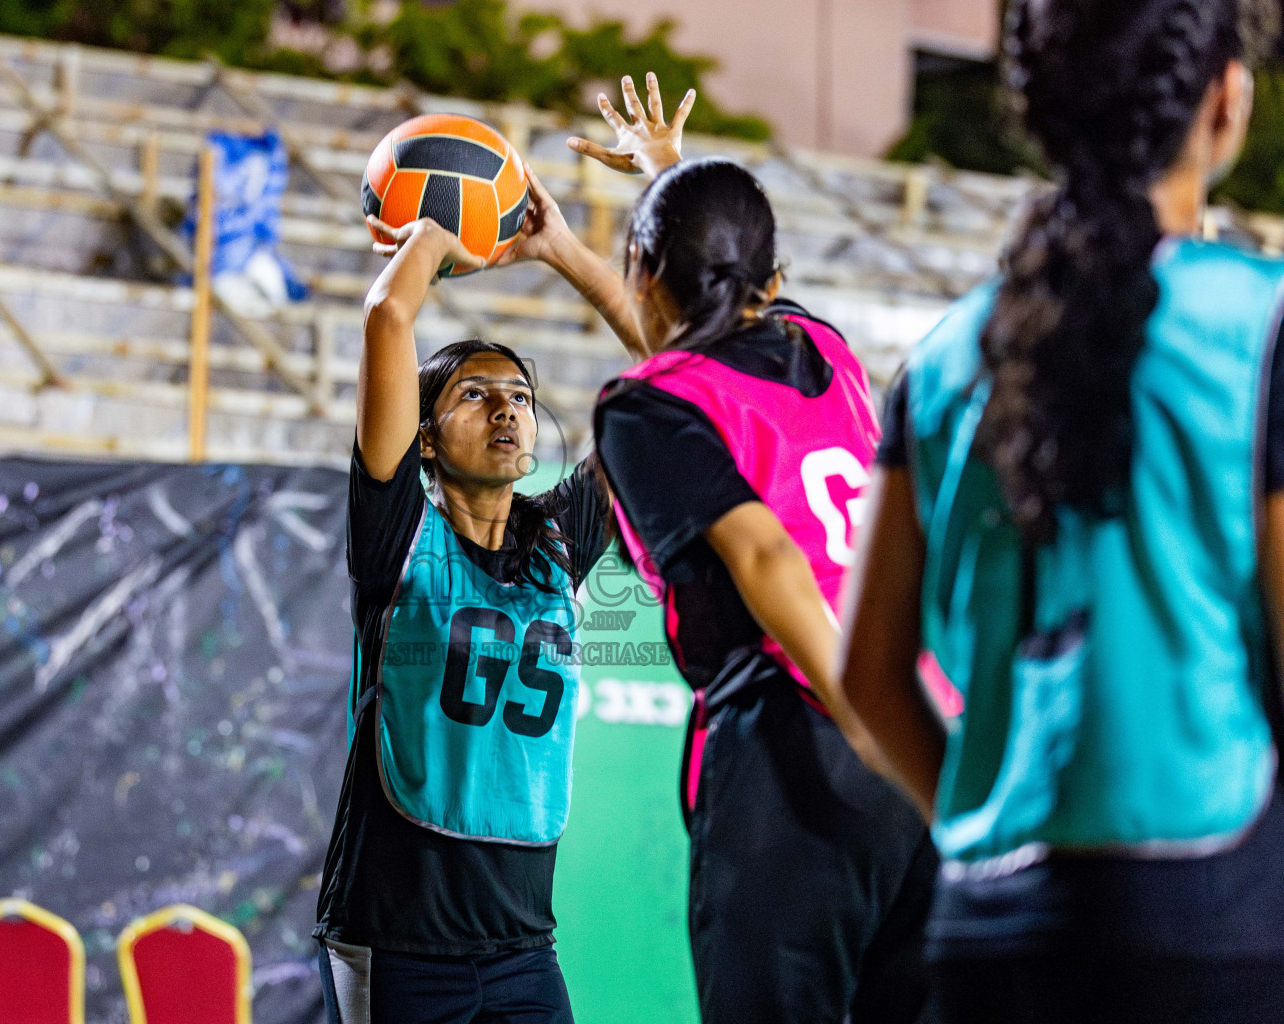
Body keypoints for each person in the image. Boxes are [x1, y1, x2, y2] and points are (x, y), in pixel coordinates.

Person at [836, 1, 1284, 1020]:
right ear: (1226, 100)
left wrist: (974, 817)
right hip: (1211, 905)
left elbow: (868, 671)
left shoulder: (947, 357)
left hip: (987, 921)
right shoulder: (1258, 322)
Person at [569, 73, 938, 1023]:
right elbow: (706, 330)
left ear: (642, 268)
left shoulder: (638, 409)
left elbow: (768, 556)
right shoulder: (828, 349)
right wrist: (659, 181)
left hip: (797, 742)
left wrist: (856, 714)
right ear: (770, 282)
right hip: (915, 721)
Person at [312, 155, 647, 1024]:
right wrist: (435, 228)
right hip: (396, 936)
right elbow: (389, 312)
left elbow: (678, 374)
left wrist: (564, 250)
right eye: (474, 395)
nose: (506, 410)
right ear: (424, 439)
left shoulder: (559, 545)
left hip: (524, 947)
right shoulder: (399, 537)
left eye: (520, 396)